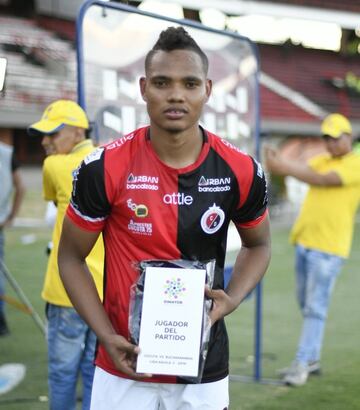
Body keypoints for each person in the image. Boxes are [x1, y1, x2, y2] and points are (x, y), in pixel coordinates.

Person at [58, 27, 271, 410]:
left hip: (203, 368)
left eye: (189, 83)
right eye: (162, 82)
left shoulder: (240, 169)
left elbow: (259, 244)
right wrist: (106, 336)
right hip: (122, 364)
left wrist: (233, 298)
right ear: (143, 88)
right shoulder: (103, 167)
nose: (175, 94)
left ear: (207, 89)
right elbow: (70, 257)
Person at [265, 113, 360, 387]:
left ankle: (303, 362)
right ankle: (313, 357)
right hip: (306, 242)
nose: (330, 144)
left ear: (348, 138)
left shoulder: (355, 163)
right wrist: (277, 159)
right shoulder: (321, 160)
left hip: (329, 248)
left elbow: (323, 179)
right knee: (307, 305)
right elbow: (301, 169)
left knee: (315, 308)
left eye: (335, 138)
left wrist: (284, 165)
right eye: (327, 139)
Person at [27, 100, 105, 410]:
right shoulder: (108, 161)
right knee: (93, 371)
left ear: (76, 132)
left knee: (62, 375)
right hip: (103, 290)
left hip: (65, 291)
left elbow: (50, 199)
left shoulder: (54, 166)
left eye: (53, 133)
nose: (45, 141)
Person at [0, 135, 25, 336]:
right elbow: (21, 187)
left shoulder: (7, 153)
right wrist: (10, 217)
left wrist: (11, 217)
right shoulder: (8, 152)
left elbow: (21, 188)